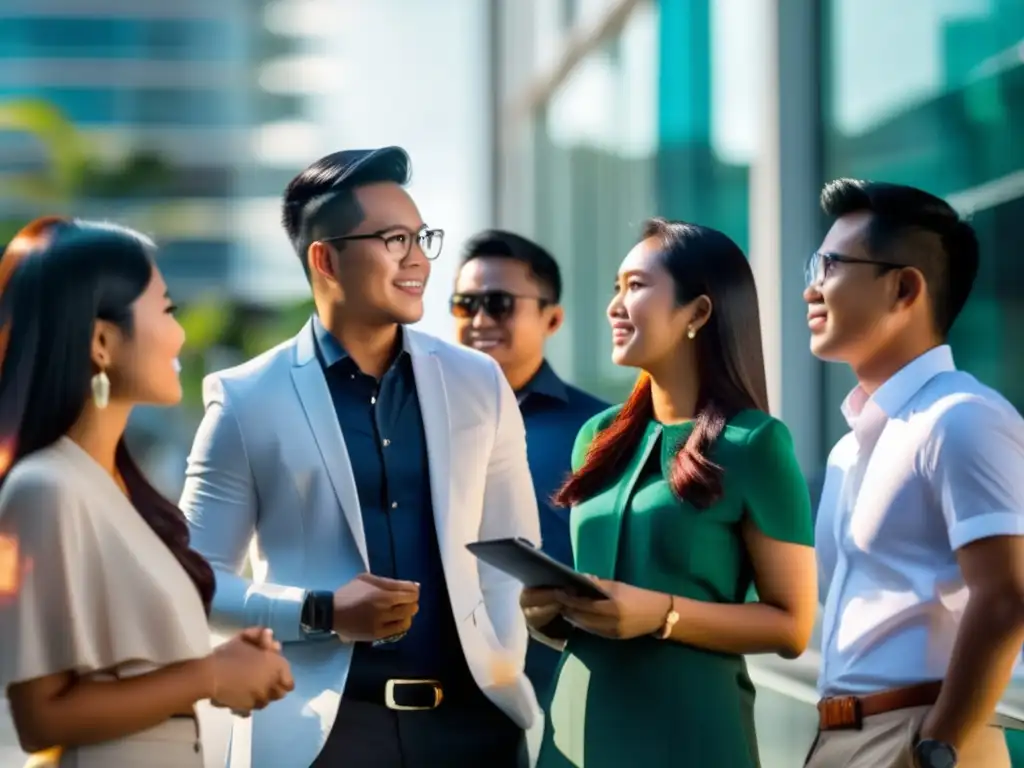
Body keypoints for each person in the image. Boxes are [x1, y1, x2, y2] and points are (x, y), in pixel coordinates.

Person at [180, 146, 541, 768]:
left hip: (472, 731)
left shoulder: (479, 382)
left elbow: (509, 553)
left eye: (422, 238)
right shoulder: (245, 398)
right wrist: (321, 612)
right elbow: (191, 580)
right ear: (326, 258)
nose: (419, 259)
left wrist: (501, 662)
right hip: (323, 738)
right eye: (394, 239)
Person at [520, 218, 818, 767]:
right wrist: (550, 617)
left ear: (698, 313)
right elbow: (606, 606)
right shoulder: (597, 437)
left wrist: (663, 614)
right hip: (576, 728)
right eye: (616, 286)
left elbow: (792, 626)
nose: (614, 304)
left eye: (635, 285)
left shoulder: (756, 444)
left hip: (691, 735)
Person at [0, 218, 293, 768]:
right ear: (103, 341)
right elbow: (41, 716)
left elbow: (129, 672)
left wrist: (224, 660)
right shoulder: (45, 487)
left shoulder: (115, 490)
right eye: (166, 310)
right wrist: (211, 674)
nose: (180, 334)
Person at [803, 180, 1024, 768]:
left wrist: (939, 743)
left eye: (829, 266)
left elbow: (1006, 596)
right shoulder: (848, 451)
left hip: (920, 734)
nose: (810, 288)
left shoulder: (962, 419)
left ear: (904, 287)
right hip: (838, 732)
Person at [451, 230, 607, 697]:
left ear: (552, 318)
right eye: (464, 304)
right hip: (435, 691)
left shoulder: (600, 432)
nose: (480, 319)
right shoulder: (414, 418)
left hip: (553, 690)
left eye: (499, 303)